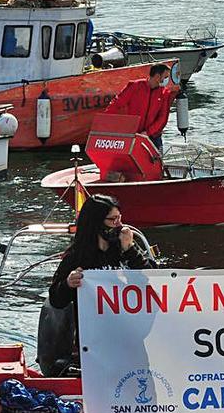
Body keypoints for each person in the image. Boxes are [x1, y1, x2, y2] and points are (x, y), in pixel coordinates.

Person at [39, 194, 156, 377]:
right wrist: (69, 283)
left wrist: (130, 250)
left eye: (120, 218)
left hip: (130, 336)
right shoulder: (76, 256)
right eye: (112, 220)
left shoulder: (125, 248)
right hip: (94, 343)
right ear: (96, 222)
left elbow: (152, 279)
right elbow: (56, 299)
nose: (118, 224)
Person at [102, 63, 181, 152]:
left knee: (157, 163)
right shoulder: (135, 86)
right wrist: (104, 121)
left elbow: (162, 119)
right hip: (134, 134)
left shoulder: (164, 93)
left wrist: (147, 133)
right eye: (166, 77)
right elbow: (117, 103)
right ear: (157, 76)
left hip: (154, 137)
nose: (168, 80)